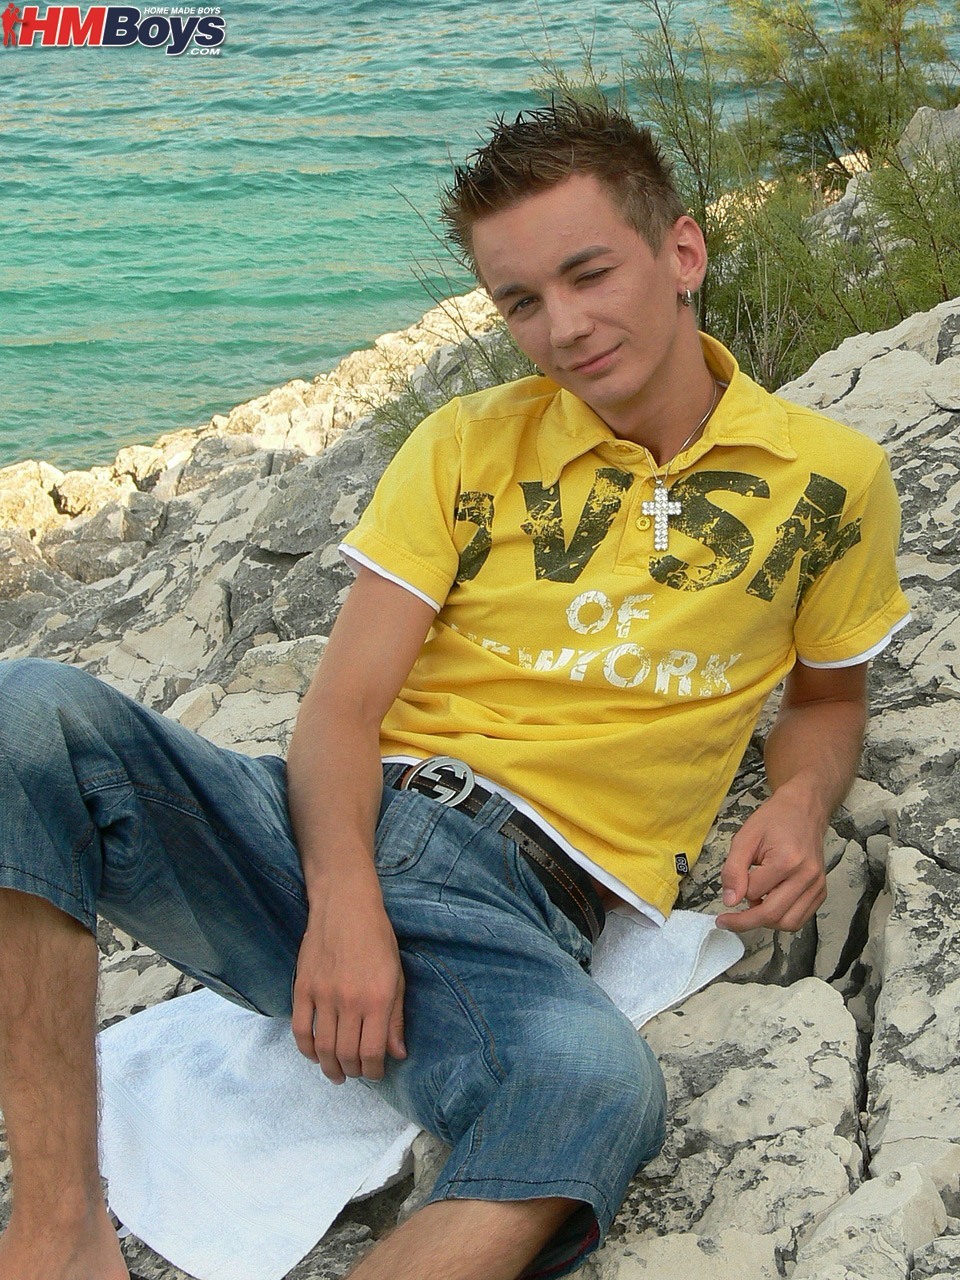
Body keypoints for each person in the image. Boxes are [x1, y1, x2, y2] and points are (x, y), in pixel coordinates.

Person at [0, 101, 910, 1280]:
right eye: (520, 301)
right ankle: (61, 1230)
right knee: (26, 712)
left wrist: (796, 802)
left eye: (590, 273)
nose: (563, 328)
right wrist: (344, 907)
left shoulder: (832, 479)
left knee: (598, 1088)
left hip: (521, 908)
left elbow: (828, 700)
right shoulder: (468, 442)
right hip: (327, 829)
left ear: (682, 251)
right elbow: (341, 709)